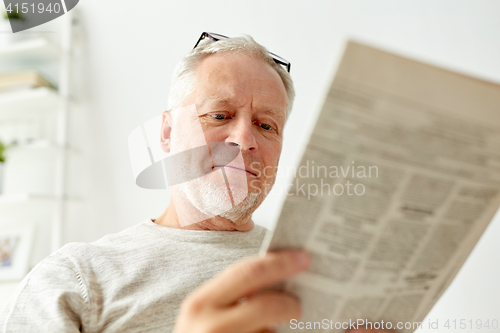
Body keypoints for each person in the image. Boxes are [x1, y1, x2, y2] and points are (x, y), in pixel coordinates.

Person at [0, 33, 390, 333]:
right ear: (167, 133)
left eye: (266, 125)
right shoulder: (75, 278)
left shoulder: (322, 275)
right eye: (219, 116)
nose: (245, 139)